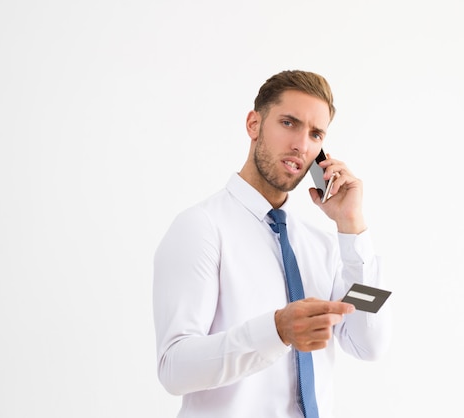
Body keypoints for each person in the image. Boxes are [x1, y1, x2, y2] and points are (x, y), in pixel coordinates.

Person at [153, 70, 391, 417]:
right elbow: (173, 369)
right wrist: (276, 331)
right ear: (254, 124)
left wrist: (352, 227)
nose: (301, 144)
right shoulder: (201, 227)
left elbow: (371, 342)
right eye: (289, 123)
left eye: (315, 134)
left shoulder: (324, 247)